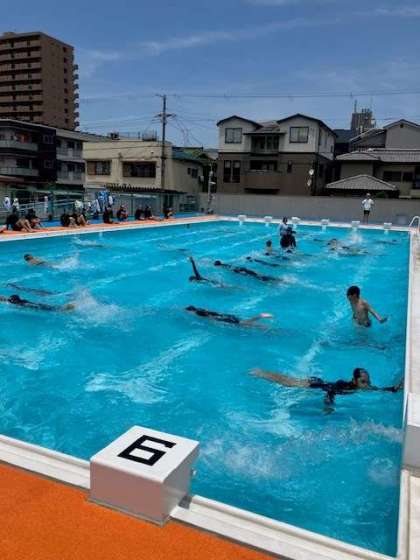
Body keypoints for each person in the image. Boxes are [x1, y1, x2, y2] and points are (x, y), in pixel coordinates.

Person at [252, 367, 403, 408]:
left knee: (289, 381)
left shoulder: (363, 387)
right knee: (287, 382)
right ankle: (261, 373)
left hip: (321, 382)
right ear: (354, 380)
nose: (367, 384)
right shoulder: (346, 386)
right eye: (364, 382)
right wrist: (329, 404)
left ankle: (262, 372)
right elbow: (332, 390)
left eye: (368, 381)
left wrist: (394, 388)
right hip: (316, 385)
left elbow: (379, 389)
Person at [186, 305, 273, 326]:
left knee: (245, 323)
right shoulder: (202, 310)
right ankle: (265, 327)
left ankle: (260, 316)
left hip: (225, 319)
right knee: (250, 324)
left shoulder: (199, 314)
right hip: (227, 316)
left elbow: (212, 320)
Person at [214, 260, 283, 283]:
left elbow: (234, 270)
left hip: (243, 271)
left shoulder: (224, 266)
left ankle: (273, 280)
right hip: (244, 269)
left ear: (218, 265)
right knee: (258, 275)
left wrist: (240, 274)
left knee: (257, 277)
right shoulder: (226, 264)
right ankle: (276, 279)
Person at [0, 294, 74, 312]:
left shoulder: (8, 301)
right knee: (41, 306)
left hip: (24, 304)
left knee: (41, 307)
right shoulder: (9, 300)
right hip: (24, 303)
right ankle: (63, 308)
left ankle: (63, 309)